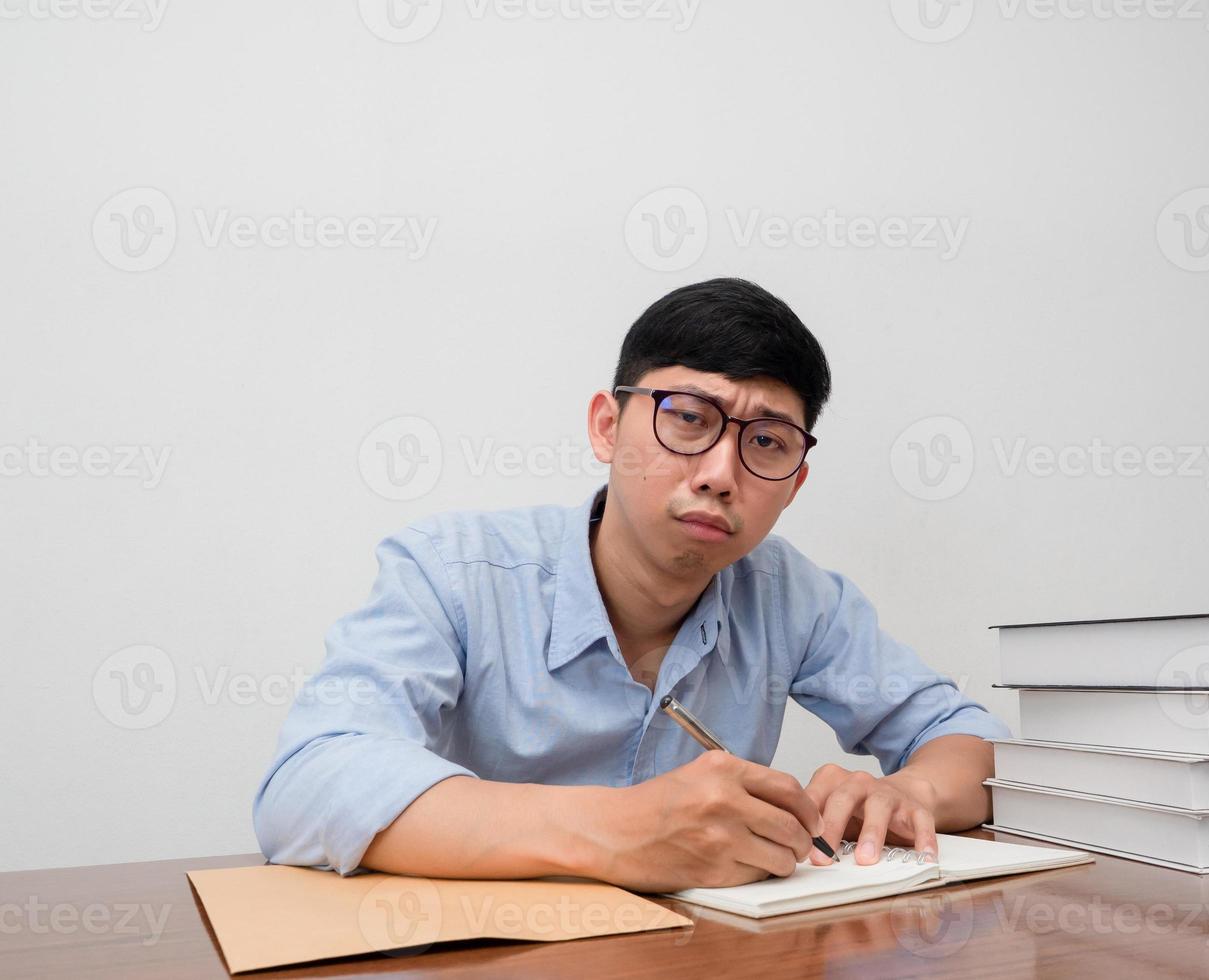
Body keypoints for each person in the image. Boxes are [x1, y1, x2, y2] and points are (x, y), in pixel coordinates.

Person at [252, 277, 1010, 891]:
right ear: (607, 428)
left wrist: (909, 794)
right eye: (687, 419)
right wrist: (623, 831)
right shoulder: (451, 571)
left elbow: (979, 746)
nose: (719, 474)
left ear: (795, 483)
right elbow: (309, 783)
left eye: (766, 443)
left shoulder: (793, 597)